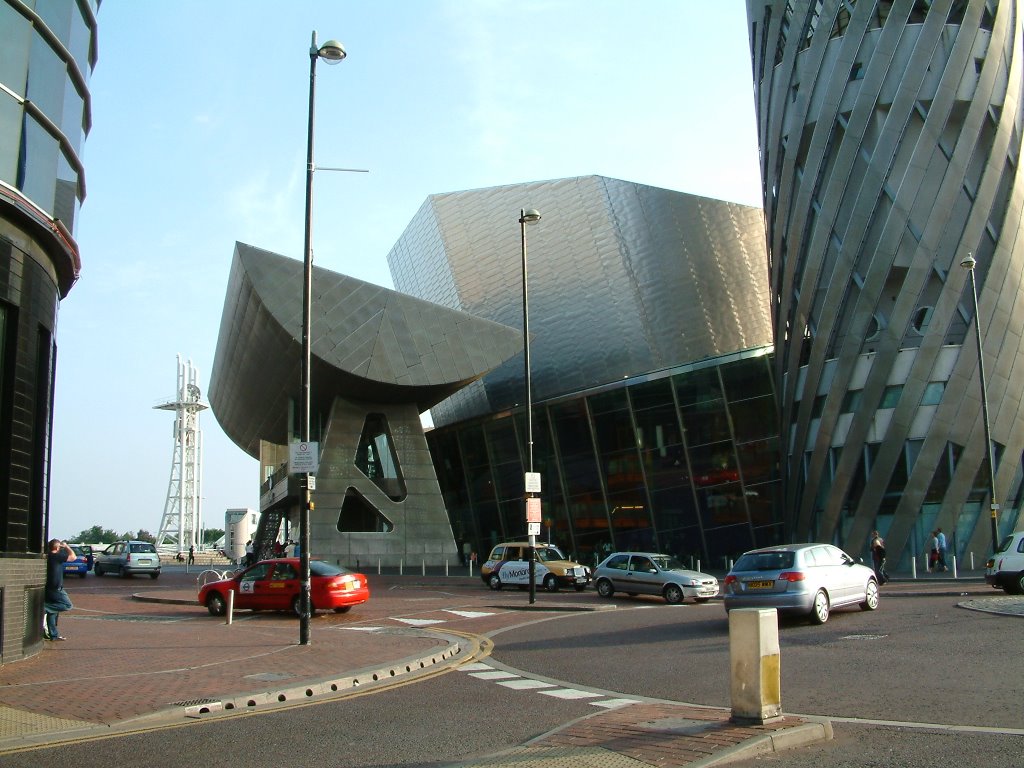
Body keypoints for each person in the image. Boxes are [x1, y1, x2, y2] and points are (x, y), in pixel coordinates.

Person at [44, 539, 76, 641]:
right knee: (68, 605)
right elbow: (73, 557)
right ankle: (44, 608)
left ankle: (54, 635)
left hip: (48, 588)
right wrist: (66, 546)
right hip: (56, 589)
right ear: (57, 548)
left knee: (53, 613)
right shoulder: (56, 556)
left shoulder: (47, 556)